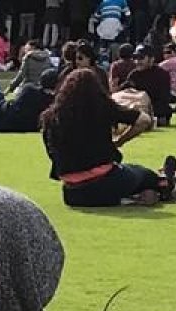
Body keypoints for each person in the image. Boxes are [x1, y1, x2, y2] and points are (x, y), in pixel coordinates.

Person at [42, 67, 165, 207]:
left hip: (72, 193)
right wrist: (120, 141)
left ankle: (129, 199)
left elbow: (52, 153)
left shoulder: (50, 118)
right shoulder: (103, 108)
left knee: (122, 177)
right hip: (108, 181)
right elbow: (144, 120)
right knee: (144, 174)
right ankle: (164, 183)